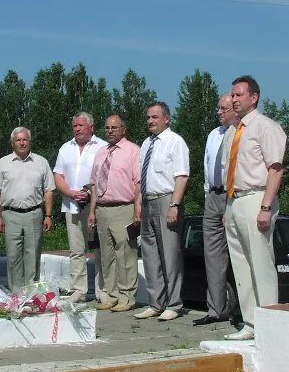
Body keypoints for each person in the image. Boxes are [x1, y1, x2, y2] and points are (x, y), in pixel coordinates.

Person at [221, 76, 286, 340]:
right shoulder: (232, 131)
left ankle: (270, 324)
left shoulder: (265, 127)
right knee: (241, 266)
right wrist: (228, 208)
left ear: (253, 97)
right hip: (235, 200)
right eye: (233, 95)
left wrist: (266, 207)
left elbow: (275, 169)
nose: (234, 99)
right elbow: (229, 172)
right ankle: (249, 323)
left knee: (261, 264)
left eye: (239, 95)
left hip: (257, 198)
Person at [134, 102, 189, 321]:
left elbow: (182, 176)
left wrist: (174, 205)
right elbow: (141, 177)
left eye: (155, 117)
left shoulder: (175, 142)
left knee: (169, 254)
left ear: (166, 118)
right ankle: (155, 302)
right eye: (148, 117)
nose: (150, 121)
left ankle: (174, 304)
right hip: (148, 200)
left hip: (167, 199)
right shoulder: (146, 143)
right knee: (150, 254)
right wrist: (138, 204)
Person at [0, 127, 55, 292]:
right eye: (18, 140)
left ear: (30, 141)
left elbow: (49, 190)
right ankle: (17, 295)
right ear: (13, 143)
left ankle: (31, 294)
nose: (22, 143)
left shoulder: (41, 162)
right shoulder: (2, 163)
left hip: (34, 213)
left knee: (32, 256)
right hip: (10, 215)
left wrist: (48, 215)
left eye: (25, 139)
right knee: (13, 257)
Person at [88, 115, 142, 312]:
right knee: (106, 256)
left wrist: (137, 210)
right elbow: (94, 184)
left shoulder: (133, 151)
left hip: (123, 208)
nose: (110, 131)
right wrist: (92, 211)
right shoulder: (101, 152)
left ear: (123, 129)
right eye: (107, 128)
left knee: (126, 254)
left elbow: (138, 184)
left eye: (114, 127)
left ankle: (127, 297)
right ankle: (111, 295)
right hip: (102, 209)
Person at [193, 93, 239, 326]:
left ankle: (239, 309)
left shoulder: (242, 133)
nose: (218, 112)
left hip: (234, 197)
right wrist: (207, 195)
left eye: (223, 108)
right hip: (213, 195)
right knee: (213, 256)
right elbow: (207, 166)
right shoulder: (214, 134)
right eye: (218, 108)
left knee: (238, 255)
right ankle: (215, 309)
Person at [53, 112, 106, 304]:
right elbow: (57, 175)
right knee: (76, 251)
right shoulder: (66, 148)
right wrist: (70, 193)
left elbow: (106, 176)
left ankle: (102, 290)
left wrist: (90, 194)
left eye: (81, 126)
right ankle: (79, 290)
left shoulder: (101, 147)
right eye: (75, 126)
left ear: (91, 127)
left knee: (99, 250)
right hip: (71, 205)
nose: (77, 129)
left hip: (95, 206)